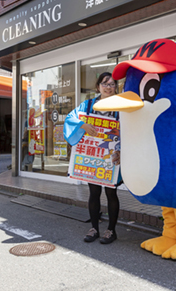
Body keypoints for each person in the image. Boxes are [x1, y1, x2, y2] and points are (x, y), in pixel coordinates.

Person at [64, 72, 120, 244]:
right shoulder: (87, 105)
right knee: (94, 192)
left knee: (111, 192)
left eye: (112, 84)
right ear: (98, 87)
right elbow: (70, 118)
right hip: (92, 156)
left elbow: (128, 129)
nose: (109, 87)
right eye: (105, 83)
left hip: (112, 155)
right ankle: (94, 228)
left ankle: (111, 230)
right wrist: (83, 124)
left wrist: (121, 150)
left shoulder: (120, 106)